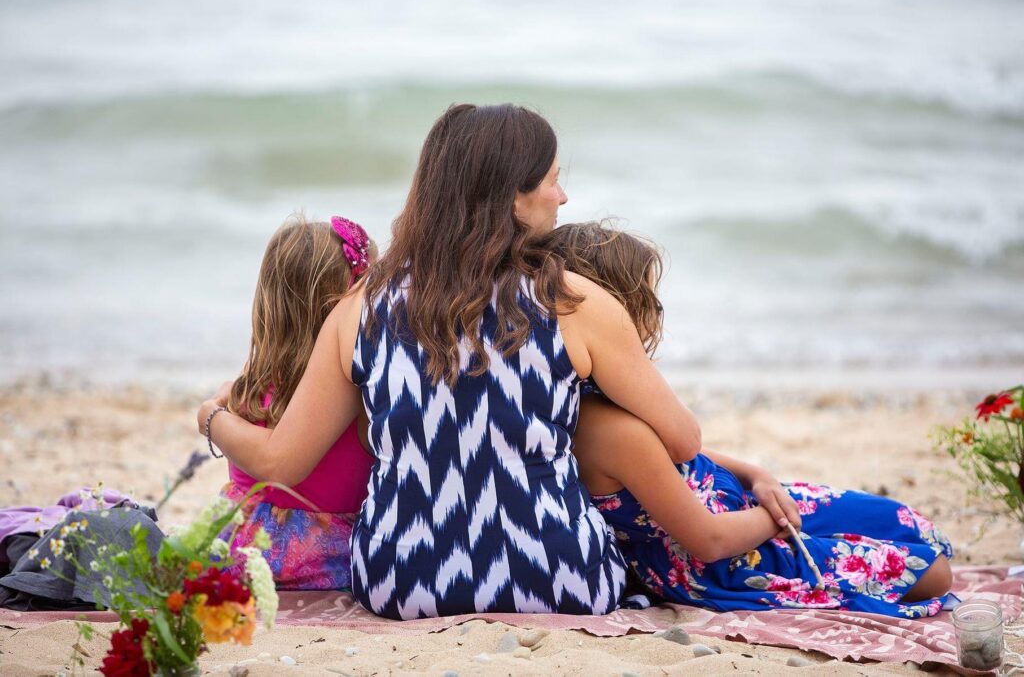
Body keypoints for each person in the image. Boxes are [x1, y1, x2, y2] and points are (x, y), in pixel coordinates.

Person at [196, 103, 706, 620]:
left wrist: (211, 417)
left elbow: (281, 463)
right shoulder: (576, 303)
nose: (563, 195)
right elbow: (683, 440)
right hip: (560, 579)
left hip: (396, 583)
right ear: (512, 196)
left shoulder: (360, 308)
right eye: (553, 180)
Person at [544, 220, 954, 618]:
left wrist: (754, 475)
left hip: (741, 506)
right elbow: (708, 540)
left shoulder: (598, 395)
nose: (655, 316)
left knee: (907, 524)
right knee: (934, 573)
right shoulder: (611, 430)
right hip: (729, 556)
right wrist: (774, 519)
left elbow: (672, 457)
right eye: (650, 302)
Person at [218, 214, 377, 590]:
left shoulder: (247, 390)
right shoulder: (358, 392)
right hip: (326, 561)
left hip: (237, 552)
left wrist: (211, 415)